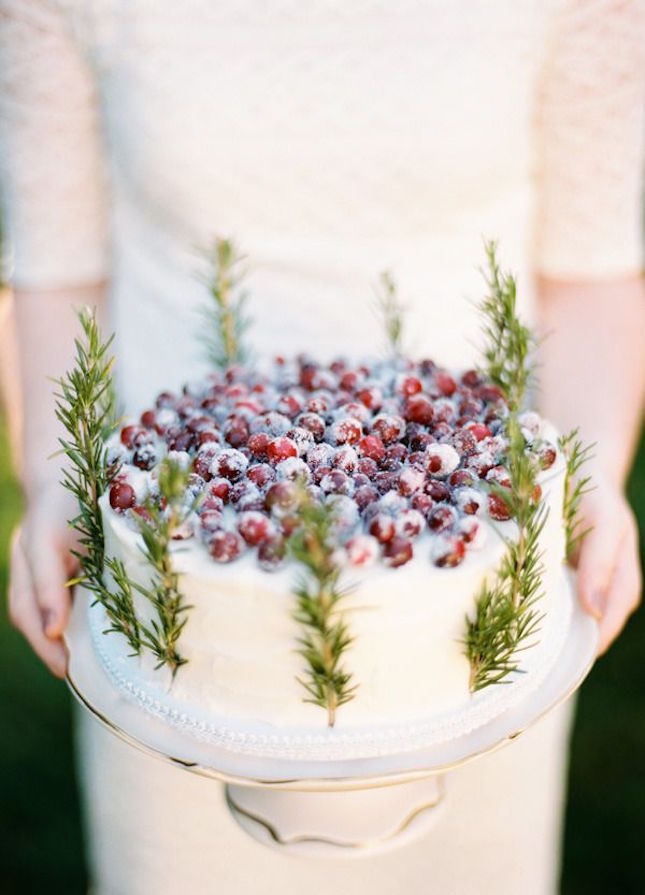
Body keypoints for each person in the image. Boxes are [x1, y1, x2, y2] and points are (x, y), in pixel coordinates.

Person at [1, 2, 643, 893]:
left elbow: (591, 268)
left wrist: (592, 476)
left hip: (473, 606)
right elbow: (54, 270)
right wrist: (52, 484)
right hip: (172, 580)